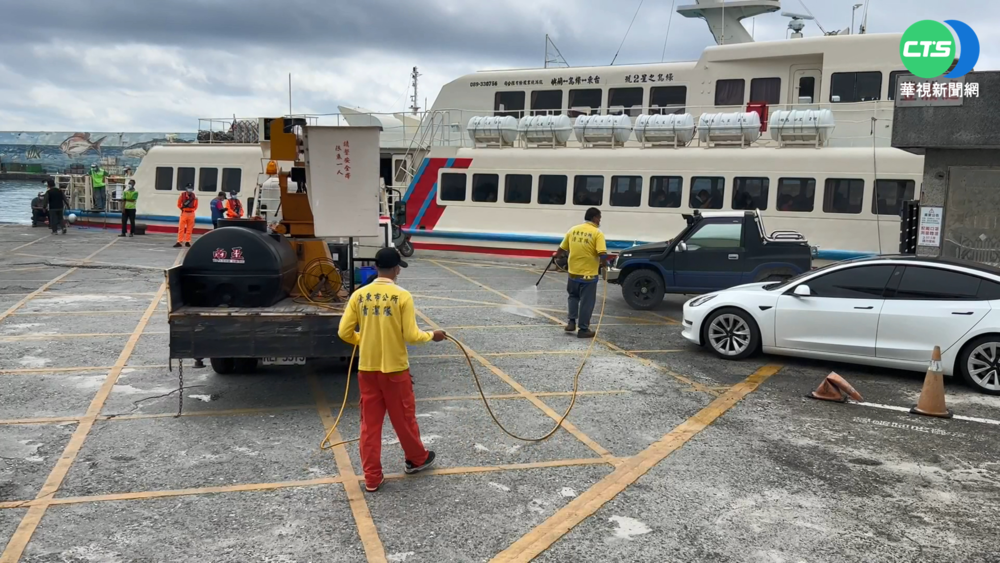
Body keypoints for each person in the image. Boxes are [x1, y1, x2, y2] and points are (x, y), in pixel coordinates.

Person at [337, 247, 447, 493]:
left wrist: (363, 339)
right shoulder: (402, 296)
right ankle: (417, 459)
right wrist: (433, 335)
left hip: (368, 370)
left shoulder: (359, 295)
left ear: (376, 268)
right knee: (404, 419)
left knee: (370, 425)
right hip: (395, 371)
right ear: (396, 269)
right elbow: (411, 335)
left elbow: (344, 332)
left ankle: (372, 478)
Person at [558, 207, 608, 339]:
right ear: (595, 218)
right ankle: (583, 329)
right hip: (588, 275)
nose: (600, 221)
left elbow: (562, 248)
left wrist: (556, 256)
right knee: (587, 302)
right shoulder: (597, 233)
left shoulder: (573, 230)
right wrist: (605, 265)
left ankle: (571, 322)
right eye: (599, 218)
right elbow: (602, 253)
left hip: (573, 272)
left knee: (573, 297)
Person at [175, 183, 197, 248]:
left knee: (189, 229)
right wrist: (183, 208)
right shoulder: (182, 196)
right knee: (181, 228)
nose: (189, 190)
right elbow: (179, 204)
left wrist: (192, 210)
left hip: (191, 213)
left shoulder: (194, 197)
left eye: (191, 188)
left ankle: (188, 241)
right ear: (186, 189)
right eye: (188, 188)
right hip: (184, 213)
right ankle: (179, 241)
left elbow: (196, 205)